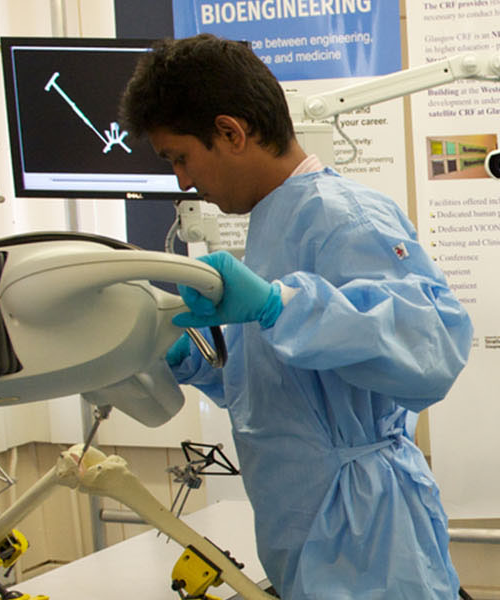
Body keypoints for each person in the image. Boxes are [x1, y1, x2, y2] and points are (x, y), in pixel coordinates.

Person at [120, 34, 472, 599]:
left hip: (367, 540)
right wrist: (201, 361)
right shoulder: (273, 221)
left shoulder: (342, 217)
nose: (183, 181)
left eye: (180, 157)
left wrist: (277, 305)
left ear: (231, 133)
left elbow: (433, 352)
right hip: (311, 530)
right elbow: (288, 390)